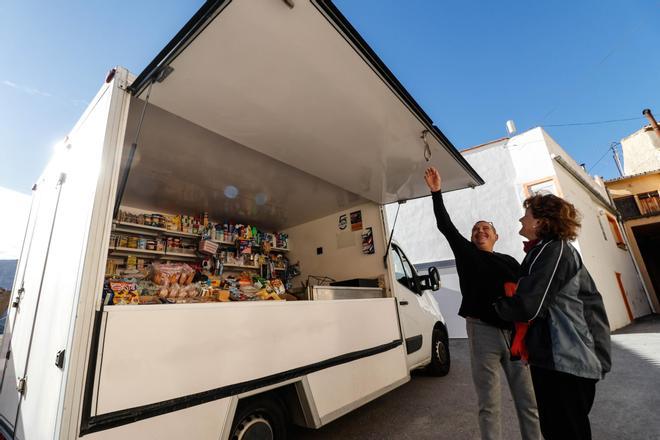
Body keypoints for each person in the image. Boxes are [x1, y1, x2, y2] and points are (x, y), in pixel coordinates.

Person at [424, 167, 540, 440]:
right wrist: (436, 192)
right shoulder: (466, 254)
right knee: (489, 404)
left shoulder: (510, 262)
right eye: (476, 229)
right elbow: (445, 225)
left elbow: (529, 293)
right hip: (482, 332)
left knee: (528, 402)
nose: (480, 231)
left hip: (514, 336)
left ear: (496, 236)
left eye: (486, 228)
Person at [494, 193, 611, 440]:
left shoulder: (554, 251)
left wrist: (495, 306)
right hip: (554, 360)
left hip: (566, 361)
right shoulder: (543, 251)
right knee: (556, 430)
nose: (520, 218)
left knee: (566, 432)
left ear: (540, 222)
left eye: (526, 214)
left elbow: (529, 306)